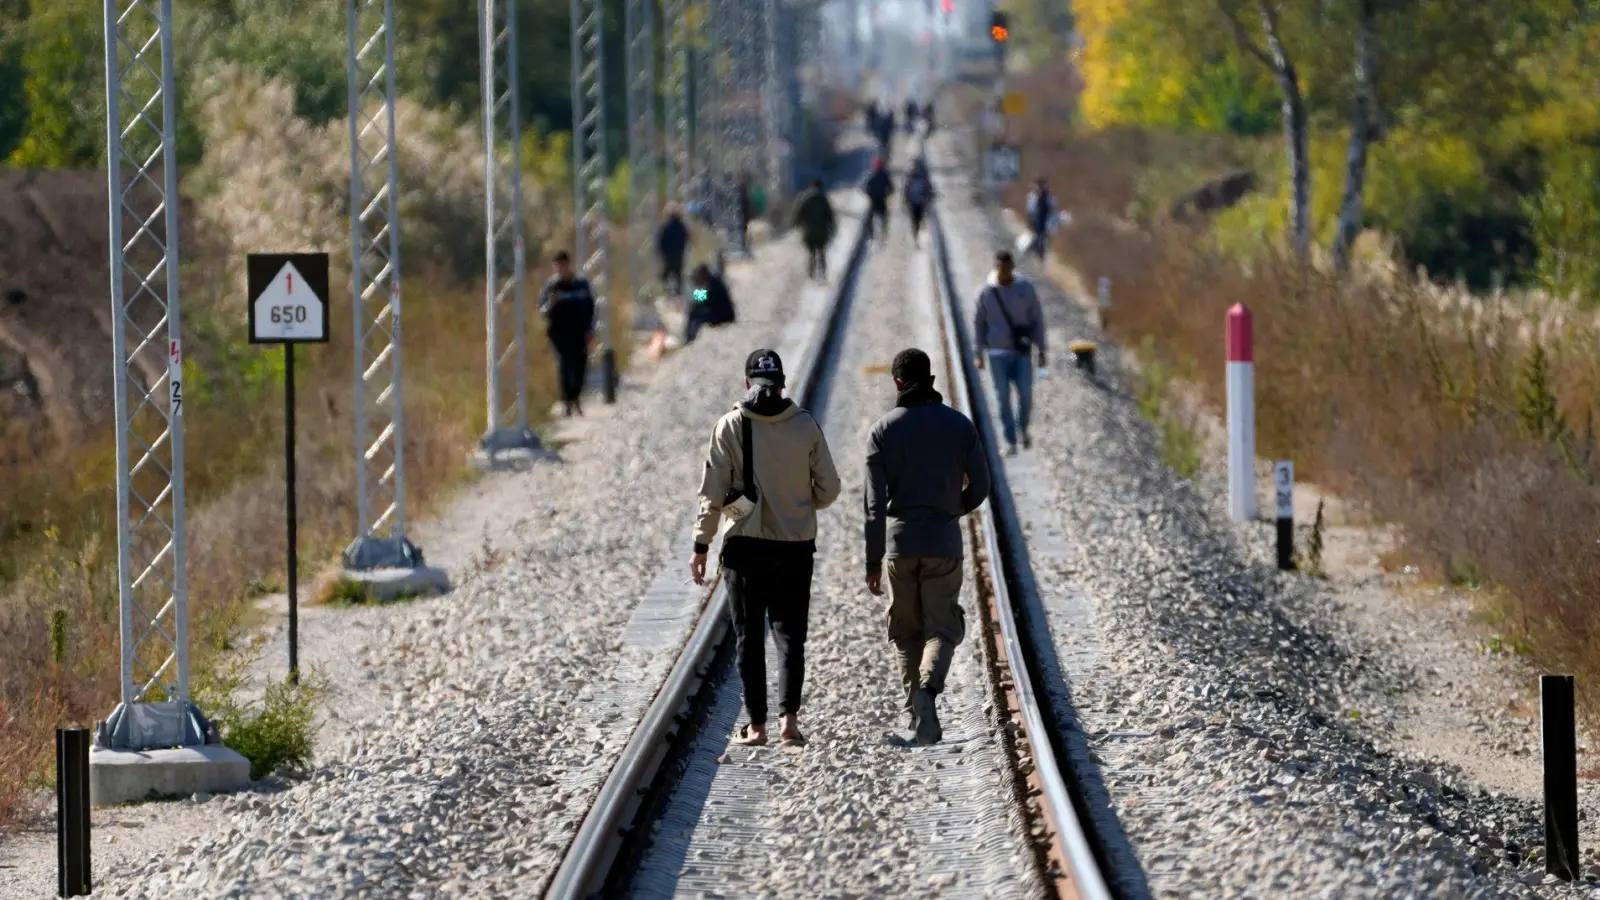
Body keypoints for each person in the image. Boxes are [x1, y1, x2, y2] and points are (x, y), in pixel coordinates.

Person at [692, 349, 842, 747]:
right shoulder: (805, 426)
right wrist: (798, 502)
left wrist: (701, 544)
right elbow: (831, 489)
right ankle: (788, 723)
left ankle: (756, 726)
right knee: (790, 634)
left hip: (744, 548)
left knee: (748, 636)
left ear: (746, 384)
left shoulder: (728, 426)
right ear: (782, 385)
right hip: (794, 547)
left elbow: (711, 495)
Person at [864, 348, 990, 745]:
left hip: (900, 546)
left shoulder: (882, 430)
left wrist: (872, 560)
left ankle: (916, 715)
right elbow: (982, 486)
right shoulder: (959, 426)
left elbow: (872, 506)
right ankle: (927, 693)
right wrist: (954, 509)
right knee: (942, 629)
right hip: (943, 543)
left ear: (898, 382)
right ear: (931, 378)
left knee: (905, 632)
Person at [973, 250, 1046, 454]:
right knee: (1002, 397)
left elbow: (1037, 319)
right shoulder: (986, 292)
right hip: (997, 354)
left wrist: (1041, 348)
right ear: (996, 268)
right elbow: (978, 324)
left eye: (1007, 267)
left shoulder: (1025, 289)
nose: (1004, 271)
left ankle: (1022, 428)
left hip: (1021, 352)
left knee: (1025, 393)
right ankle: (1010, 440)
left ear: (1012, 267)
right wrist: (978, 353)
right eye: (1000, 268)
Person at [538, 251, 597, 417]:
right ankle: (566, 402)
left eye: (563, 265)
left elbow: (591, 307)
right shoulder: (550, 286)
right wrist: (552, 302)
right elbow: (541, 308)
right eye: (557, 266)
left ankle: (576, 397)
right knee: (565, 366)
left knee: (581, 366)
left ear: (568, 265)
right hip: (560, 333)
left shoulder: (581, 284)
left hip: (579, 332)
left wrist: (591, 329)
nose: (561, 269)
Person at [791, 178, 837, 281]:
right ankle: (823, 274)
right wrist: (833, 228)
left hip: (809, 231)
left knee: (811, 254)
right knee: (821, 252)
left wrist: (796, 224)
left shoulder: (805, 198)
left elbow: (798, 213)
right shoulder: (823, 198)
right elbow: (830, 216)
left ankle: (811, 274)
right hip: (821, 232)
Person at [685, 263, 735, 343]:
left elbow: (705, 301)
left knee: (695, 316)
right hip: (721, 312)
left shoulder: (714, 286)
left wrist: (694, 299)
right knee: (694, 310)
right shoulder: (713, 281)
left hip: (723, 316)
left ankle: (689, 338)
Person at [656, 204, 690, 296]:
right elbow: (686, 239)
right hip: (678, 255)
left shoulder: (666, 226)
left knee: (666, 275)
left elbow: (661, 241)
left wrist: (663, 252)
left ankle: (666, 291)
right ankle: (678, 293)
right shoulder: (681, 226)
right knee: (677, 274)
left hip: (669, 256)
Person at [1024, 178, 1057, 261]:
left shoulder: (1048, 196)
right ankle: (1037, 250)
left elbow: (1053, 206)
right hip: (1037, 218)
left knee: (1043, 235)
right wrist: (1029, 220)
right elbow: (1030, 208)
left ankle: (1039, 251)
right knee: (1037, 234)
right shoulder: (1034, 195)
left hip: (1045, 218)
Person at [863, 157, 894, 243]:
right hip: (878, 199)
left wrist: (870, 194)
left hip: (877, 200)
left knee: (873, 218)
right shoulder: (881, 175)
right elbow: (891, 188)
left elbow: (866, 188)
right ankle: (878, 233)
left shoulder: (875, 175)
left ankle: (875, 234)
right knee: (878, 217)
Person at [903, 162, 935, 247]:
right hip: (915, 204)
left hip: (919, 203)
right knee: (916, 221)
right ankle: (916, 236)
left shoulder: (919, 180)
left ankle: (918, 235)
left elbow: (928, 190)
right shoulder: (911, 180)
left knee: (918, 220)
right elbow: (906, 192)